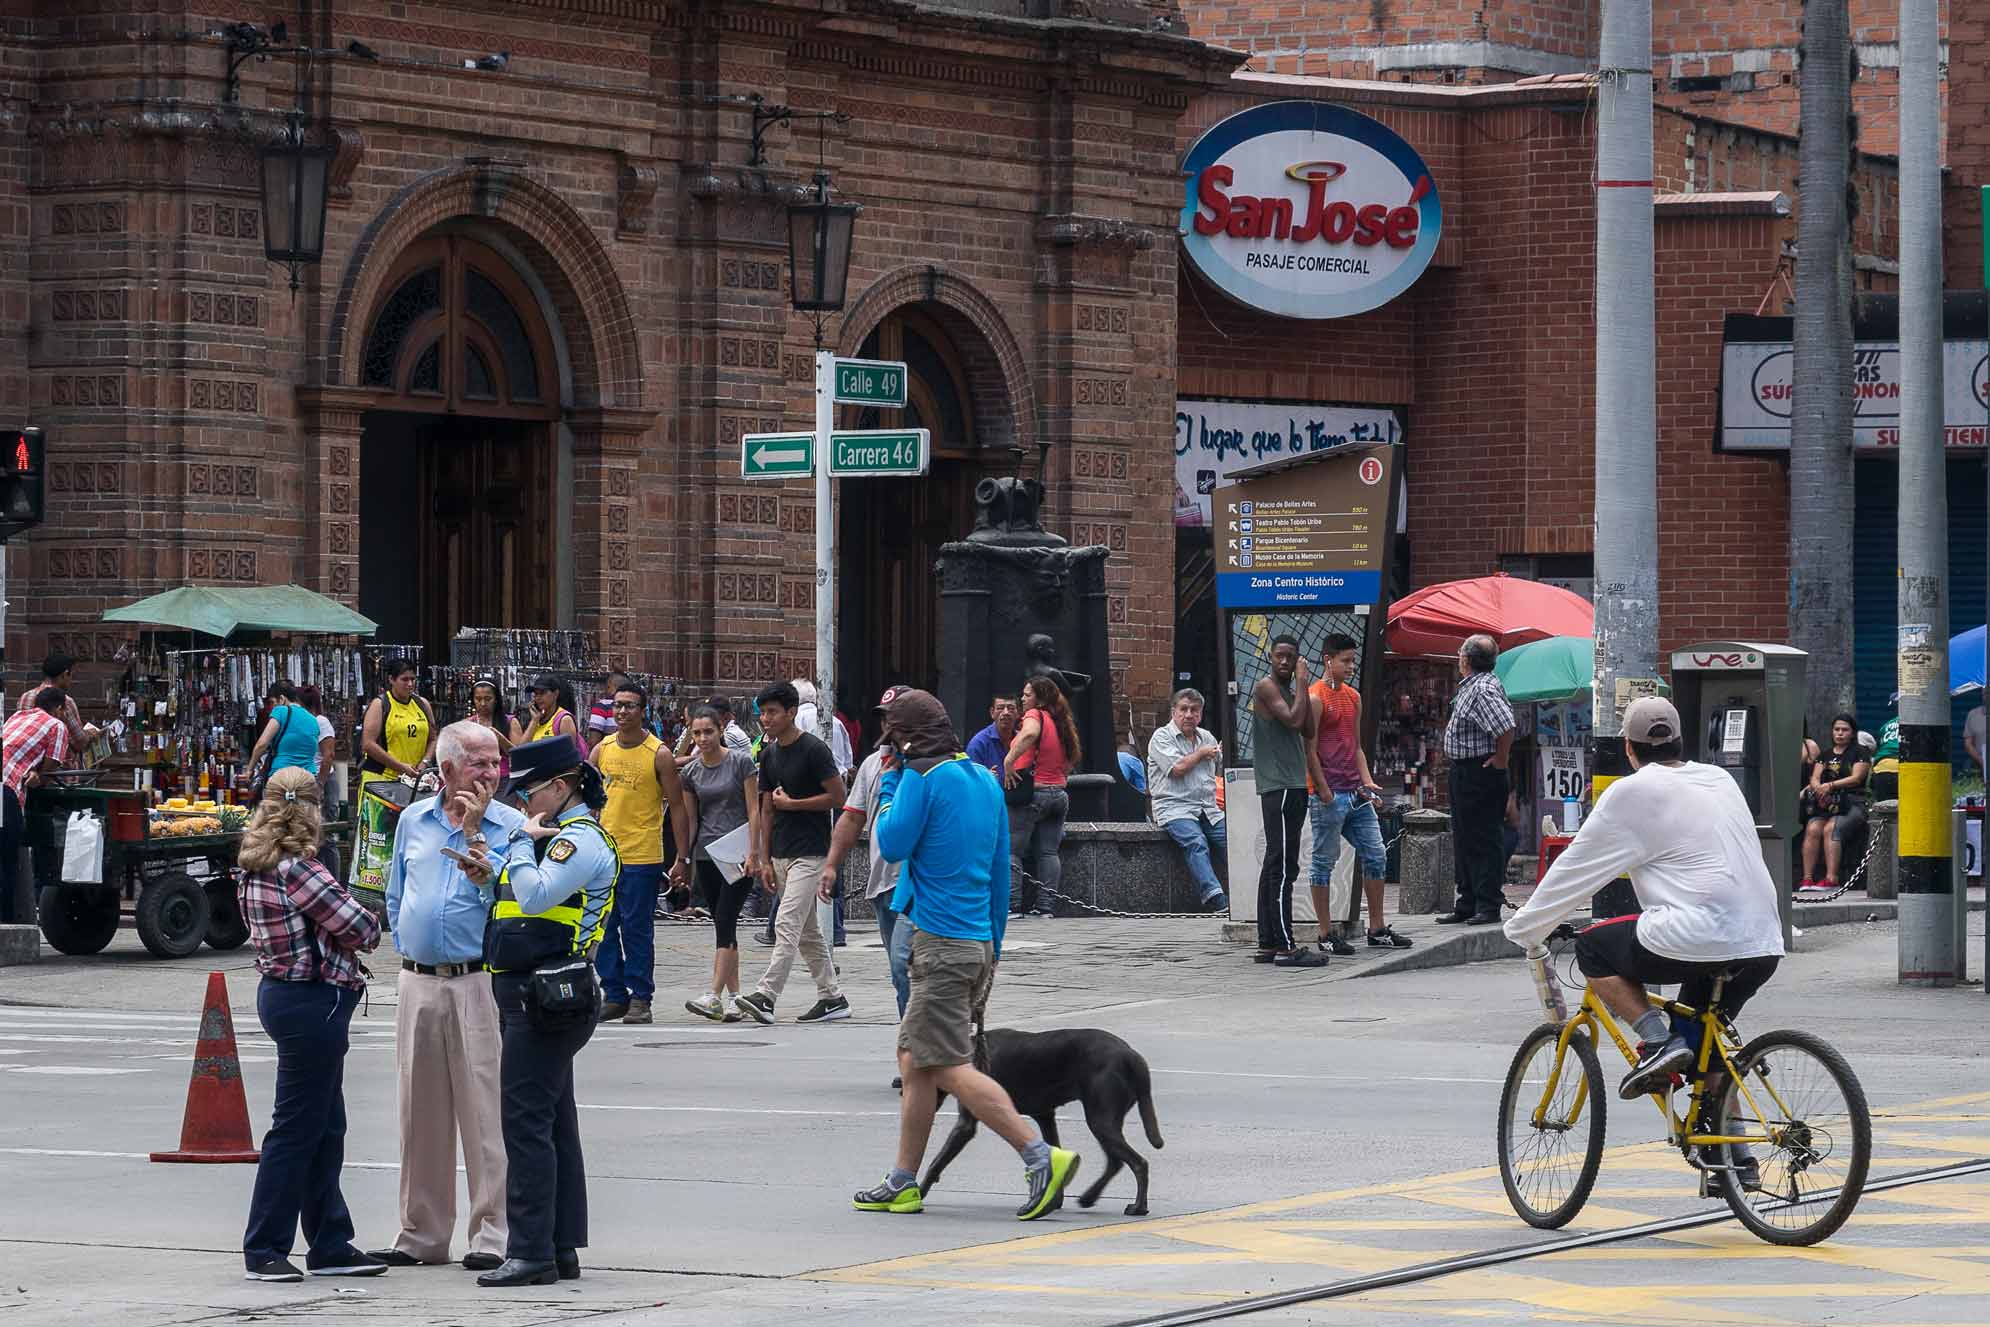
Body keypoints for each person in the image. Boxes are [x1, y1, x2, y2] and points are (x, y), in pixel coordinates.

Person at [851, 687, 1080, 1219]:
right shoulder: (982, 778)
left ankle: (1040, 1154)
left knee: (945, 1064)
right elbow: (1002, 871)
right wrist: (993, 946)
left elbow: (893, 841)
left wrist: (890, 784)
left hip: (937, 941)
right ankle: (903, 1180)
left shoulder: (920, 779)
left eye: (894, 731)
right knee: (915, 1061)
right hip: (976, 939)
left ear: (906, 735)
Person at [1505, 698, 1784, 1114]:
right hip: (1763, 941)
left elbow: (1573, 871)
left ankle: (1656, 1040)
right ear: (1681, 741)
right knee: (1704, 1050)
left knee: (1593, 947)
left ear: (1629, 750)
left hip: (1700, 935)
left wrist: (1525, 929)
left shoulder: (1631, 791)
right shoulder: (1720, 779)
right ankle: (1732, 1164)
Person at [369, 722, 519, 1272]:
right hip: (418, 978)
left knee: (485, 1110)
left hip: (478, 978)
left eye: (495, 763)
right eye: (478, 763)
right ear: (447, 766)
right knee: (419, 1112)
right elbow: (396, 891)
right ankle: (422, 1233)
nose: (490, 773)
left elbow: (512, 895)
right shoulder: (414, 819)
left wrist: (478, 836)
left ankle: (492, 1233)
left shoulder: (511, 826)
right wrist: (410, 943)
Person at [475, 734, 620, 1287]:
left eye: (529, 792)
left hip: (549, 998)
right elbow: (522, 898)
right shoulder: (556, 836)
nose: (522, 804)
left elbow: (536, 895)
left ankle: (530, 1250)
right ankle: (558, 1247)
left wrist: (516, 842)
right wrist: (489, 875)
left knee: (525, 1122)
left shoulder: (577, 840)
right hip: (532, 994)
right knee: (552, 1122)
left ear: (560, 788)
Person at [236, 766, 387, 1283]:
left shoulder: (253, 863)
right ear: (313, 810)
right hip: (313, 999)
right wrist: (369, 912)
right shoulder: (299, 868)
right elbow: (361, 928)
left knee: (324, 1126)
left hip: (280, 993)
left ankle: (329, 1241)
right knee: (299, 1128)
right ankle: (265, 1246)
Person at [735, 681, 850, 1025]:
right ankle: (832, 997)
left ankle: (766, 995)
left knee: (786, 923)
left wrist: (795, 804)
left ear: (791, 712)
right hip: (781, 853)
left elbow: (839, 797)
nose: (766, 719)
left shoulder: (814, 750)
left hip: (812, 851)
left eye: (772, 712)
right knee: (808, 932)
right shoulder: (769, 753)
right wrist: (764, 857)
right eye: (762, 713)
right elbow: (767, 807)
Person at [588, 680, 692, 1024]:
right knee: (602, 927)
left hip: (642, 856)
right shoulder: (601, 750)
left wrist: (682, 857)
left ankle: (640, 998)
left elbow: (677, 806)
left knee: (636, 929)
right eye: (617, 705)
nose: (622, 712)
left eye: (630, 706)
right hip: (603, 857)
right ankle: (613, 994)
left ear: (642, 711)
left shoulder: (658, 753)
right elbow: (584, 802)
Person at [1306, 635, 1412, 953]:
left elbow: (1356, 746)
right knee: (1323, 862)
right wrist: (1323, 790)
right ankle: (1325, 934)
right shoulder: (1315, 697)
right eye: (1346, 661)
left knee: (1376, 854)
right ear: (1328, 660)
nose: (1351, 666)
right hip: (1329, 792)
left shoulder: (1353, 696)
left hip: (1355, 791)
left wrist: (1366, 782)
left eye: (1353, 660)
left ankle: (1377, 927)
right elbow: (1308, 750)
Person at [823, 687, 912, 1021]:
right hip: (882, 884)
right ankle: (914, 1046)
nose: (889, 724)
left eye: (896, 715)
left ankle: (924, 1055)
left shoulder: (930, 763)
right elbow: (852, 816)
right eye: (885, 716)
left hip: (918, 884)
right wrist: (832, 864)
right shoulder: (873, 764)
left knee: (906, 964)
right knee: (899, 973)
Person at [680, 706, 761, 1021]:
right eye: (697, 732)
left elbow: (754, 810)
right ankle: (736, 998)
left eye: (708, 731)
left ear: (720, 730)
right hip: (706, 855)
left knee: (726, 920)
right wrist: (683, 859)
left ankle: (713, 994)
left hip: (739, 853)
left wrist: (755, 851)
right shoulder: (691, 773)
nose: (702, 738)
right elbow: (690, 820)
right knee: (722, 925)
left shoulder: (740, 762)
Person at [1250, 636, 1318, 966]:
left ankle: (1267, 942)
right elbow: (1293, 720)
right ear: (1270, 657)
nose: (1285, 663)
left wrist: (1303, 689)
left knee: (1279, 863)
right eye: (1279, 656)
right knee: (1281, 863)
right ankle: (1285, 945)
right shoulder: (1266, 686)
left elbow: (1308, 729)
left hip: (1293, 784)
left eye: (1291, 658)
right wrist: (1304, 681)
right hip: (1280, 786)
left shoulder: (1292, 692)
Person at [1438, 633, 1515, 926]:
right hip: (1465, 770)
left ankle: (1487, 904)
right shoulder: (1474, 686)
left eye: (1460, 653)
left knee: (1483, 838)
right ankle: (1467, 901)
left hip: (1479, 770)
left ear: (1467, 659)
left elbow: (1506, 726)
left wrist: (1501, 758)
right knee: (1465, 837)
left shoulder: (1481, 689)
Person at [1002, 675, 1080, 919]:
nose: (1023, 698)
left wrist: (1009, 761)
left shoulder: (1035, 716)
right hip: (1059, 794)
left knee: (1012, 850)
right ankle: (1045, 907)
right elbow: (1069, 763)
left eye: (1027, 694)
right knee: (1048, 852)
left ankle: (1013, 905)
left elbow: (1029, 735)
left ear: (1039, 697)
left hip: (1034, 793)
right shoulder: (1062, 722)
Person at [1146, 688, 1229, 913]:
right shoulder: (1161, 737)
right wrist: (1201, 754)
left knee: (1233, 842)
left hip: (1208, 808)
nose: (1189, 715)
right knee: (1196, 842)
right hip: (1174, 808)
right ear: (1174, 712)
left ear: (1200, 714)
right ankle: (1215, 898)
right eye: (1183, 709)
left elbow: (1218, 771)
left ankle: (1250, 895)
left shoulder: (1207, 737)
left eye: (1194, 710)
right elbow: (1177, 769)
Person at [1, 687, 72, 924]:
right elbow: (51, 766)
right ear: (60, 708)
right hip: (6, 791)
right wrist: (39, 775)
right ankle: (6, 928)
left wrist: (31, 770)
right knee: (5, 861)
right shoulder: (56, 726)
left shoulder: (17, 716)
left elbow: (12, 750)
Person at [1800, 713, 1871, 891]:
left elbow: (1856, 778)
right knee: (1813, 828)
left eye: (1844, 730)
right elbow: (1815, 778)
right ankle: (1807, 879)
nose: (1840, 733)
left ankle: (1832, 878)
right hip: (1827, 804)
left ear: (1853, 733)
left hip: (1853, 803)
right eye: (1837, 729)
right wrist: (1819, 788)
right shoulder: (1825, 754)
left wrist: (1830, 785)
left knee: (1831, 828)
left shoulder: (1860, 753)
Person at [359, 658, 436, 793]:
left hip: (413, 781)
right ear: (392, 680)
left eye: (413, 679)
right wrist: (399, 766)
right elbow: (368, 744)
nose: (410, 684)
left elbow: (433, 738)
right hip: (382, 780)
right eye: (404, 679)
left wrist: (425, 762)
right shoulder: (380, 704)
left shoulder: (422, 704)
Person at [249, 682, 322, 780]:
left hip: (281, 776)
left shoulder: (280, 711)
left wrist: (249, 770)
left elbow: (262, 744)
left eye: (273, 702)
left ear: (282, 699)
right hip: (308, 777)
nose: (272, 707)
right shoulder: (313, 720)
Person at [17, 652, 91, 745]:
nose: (71, 680)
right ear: (65, 674)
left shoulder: (25, 697)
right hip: (55, 757)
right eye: (71, 675)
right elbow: (79, 741)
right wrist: (89, 734)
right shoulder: (66, 701)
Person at [295, 686, 338, 809]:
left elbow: (328, 755)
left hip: (322, 777)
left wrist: (320, 784)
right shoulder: (300, 722)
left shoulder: (320, 722)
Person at [465, 677, 517, 779]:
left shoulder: (510, 722)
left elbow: (519, 755)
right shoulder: (468, 724)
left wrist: (500, 739)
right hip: (476, 778)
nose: (483, 703)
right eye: (478, 699)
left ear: (496, 699)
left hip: (503, 778)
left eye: (488, 699)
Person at [965, 695, 1020, 774]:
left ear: (1018, 713)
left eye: (1011, 708)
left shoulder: (1023, 740)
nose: (1006, 712)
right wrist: (987, 777)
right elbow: (971, 778)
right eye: (1000, 708)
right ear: (992, 713)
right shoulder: (979, 743)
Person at [523, 675, 580, 744]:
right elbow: (520, 751)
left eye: (542, 693)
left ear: (556, 693)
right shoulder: (536, 720)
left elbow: (569, 753)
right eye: (536, 694)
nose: (537, 698)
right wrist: (534, 721)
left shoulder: (564, 720)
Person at [1966, 704, 1985, 774]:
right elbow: (1968, 744)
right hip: (1979, 763)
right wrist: (1981, 761)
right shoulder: (1973, 714)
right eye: (1986, 693)